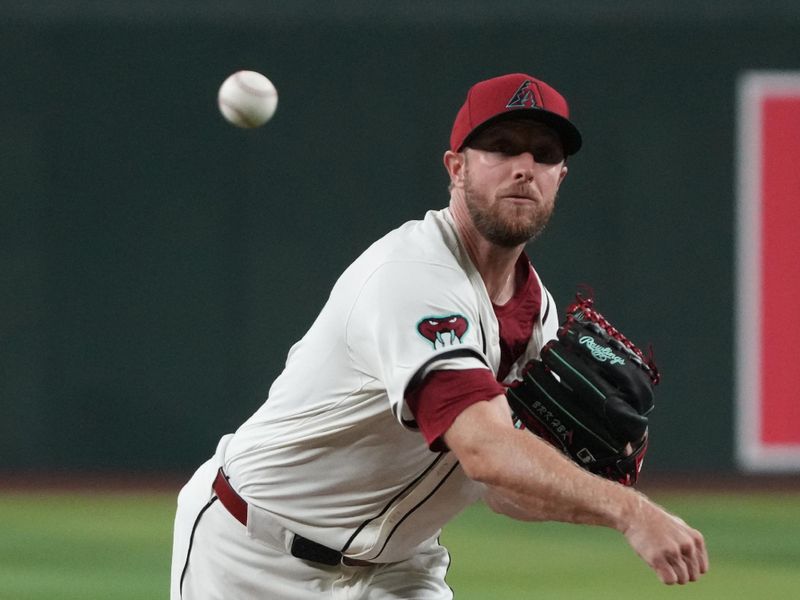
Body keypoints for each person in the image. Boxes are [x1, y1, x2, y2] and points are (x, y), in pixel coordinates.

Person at [170, 72, 708, 599]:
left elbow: (500, 490)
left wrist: (600, 487)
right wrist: (628, 512)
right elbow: (485, 451)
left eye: (544, 154)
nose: (524, 167)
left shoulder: (536, 310)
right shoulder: (412, 276)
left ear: (560, 177)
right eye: (501, 147)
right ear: (456, 168)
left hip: (398, 568)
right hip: (254, 556)